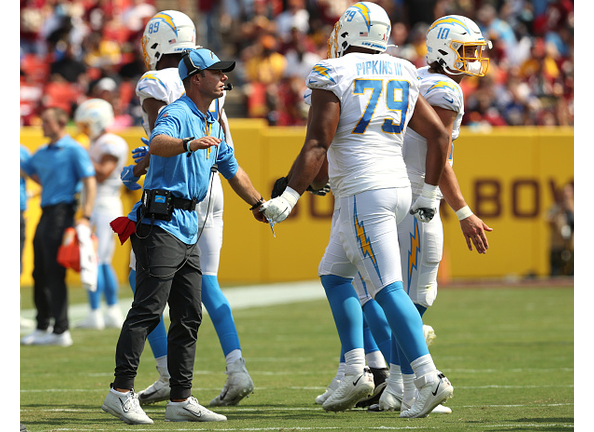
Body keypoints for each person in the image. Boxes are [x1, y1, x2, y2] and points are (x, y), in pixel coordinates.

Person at [260, 2, 453, 418]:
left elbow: (317, 144)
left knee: (387, 288)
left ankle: (428, 378)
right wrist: (429, 195)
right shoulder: (404, 69)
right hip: (399, 187)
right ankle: (354, 368)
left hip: (361, 192)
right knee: (334, 273)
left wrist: (288, 198)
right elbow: (439, 135)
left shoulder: (335, 71)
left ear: (347, 34)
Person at [102, 47, 268, 425]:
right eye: (217, 72)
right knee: (146, 310)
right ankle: (120, 392)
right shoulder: (176, 113)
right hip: (160, 223)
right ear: (196, 78)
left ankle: (180, 398)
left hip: (187, 226)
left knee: (189, 314)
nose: (225, 77)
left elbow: (233, 170)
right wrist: (189, 144)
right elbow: (159, 144)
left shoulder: (210, 120)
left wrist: (260, 205)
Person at [366, 15, 494, 414]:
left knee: (400, 292)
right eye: (467, 50)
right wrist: (463, 210)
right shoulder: (443, 90)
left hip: (391, 189)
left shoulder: (417, 76)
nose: (473, 59)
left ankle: (396, 387)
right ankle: (411, 383)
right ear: (444, 49)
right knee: (416, 296)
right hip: (417, 196)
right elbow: (441, 158)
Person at [20, 107, 97, 347]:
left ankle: (60, 329)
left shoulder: (74, 149)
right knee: (39, 271)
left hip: (64, 212)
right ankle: (43, 325)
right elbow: (31, 172)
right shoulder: (42, 152)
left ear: (60, 123)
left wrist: (86, 214)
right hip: (46, 212)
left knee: (54, 271)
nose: (41, 125)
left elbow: (89, 181)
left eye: (45, 122)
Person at [73, 98, 129, 330]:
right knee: (95, 260)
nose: (84, 130)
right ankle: (100, 311)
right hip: (96, 205)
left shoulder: (110, 142)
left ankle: (106, 311)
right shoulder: (98, 142)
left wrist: (79, 154)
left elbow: (104, 173)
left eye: (87, 125)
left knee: (98, 259)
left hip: (104, 205)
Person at [546, 182, 574, 276]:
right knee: (555, 273)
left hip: (572, 246)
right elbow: (548, 220)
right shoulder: (556, 207)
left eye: (569, 192)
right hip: (557, 244)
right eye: (565, 192)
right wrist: (559, 211)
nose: (566, 195)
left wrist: (571, 210)